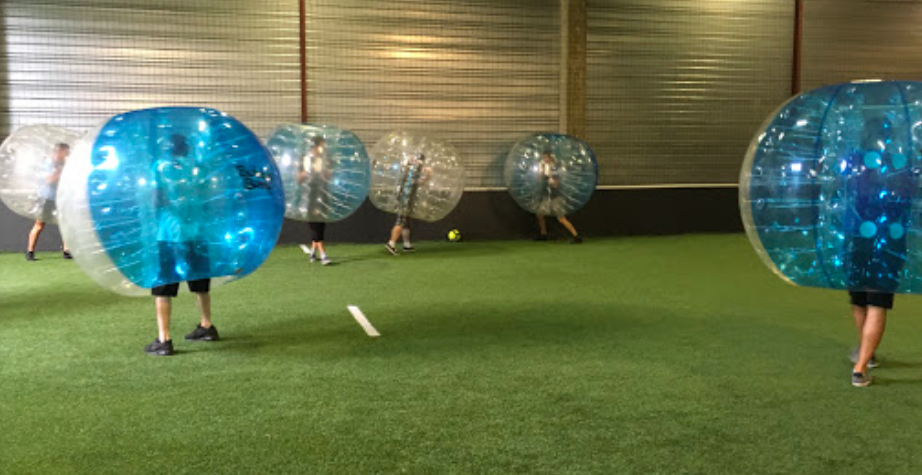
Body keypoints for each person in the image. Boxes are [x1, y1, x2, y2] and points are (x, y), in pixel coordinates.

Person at [144, 134, 218, 356]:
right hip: (197, 231)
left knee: (164, 284)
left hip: (169, 232)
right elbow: (205, 198)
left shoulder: (159, 166)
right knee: (200, 279)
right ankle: (206, 326)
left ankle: (164, 339)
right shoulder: (198, 168)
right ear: (187, 148)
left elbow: (157, 199)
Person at [26, 143, 73, 261]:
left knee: (64, 224)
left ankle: (66, 251)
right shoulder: (48, 164)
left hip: (59, 198)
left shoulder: (63, 164)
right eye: (65, 152)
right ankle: (30, 252)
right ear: (59, 152)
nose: (67, 154)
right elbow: (49, 180)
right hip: (45, 198)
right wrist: (60, 173)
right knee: (39, 225)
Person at [533, 150, 582, 244]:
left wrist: (551, 178)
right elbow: (540, 179)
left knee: (561, 218)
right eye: (544, 158)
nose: (545, 159)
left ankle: (576, 236)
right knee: (539, 214)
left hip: (556, 197)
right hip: (547, 196)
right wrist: (542, 172)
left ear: (551, 158)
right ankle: (544, 234)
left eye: (546, 157)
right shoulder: (544, 168)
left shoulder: (556, 169)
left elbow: (556, 184)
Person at [386, 152, 428, 255]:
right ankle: (391, 243)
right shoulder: (413, 170)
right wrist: (427, 176)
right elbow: (418, 182)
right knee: (401, 220)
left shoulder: (406, 168)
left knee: (406, 221)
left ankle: (407, 244)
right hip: (406, 198)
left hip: (403, 197)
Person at [299, 136, 331, 265]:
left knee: (321, 223)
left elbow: (328, 177)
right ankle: (323, 254)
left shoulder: (325, 160)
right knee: (315, 223)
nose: (324, 149)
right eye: (322, 146)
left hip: (323, 193)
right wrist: (307, 172)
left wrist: (325, 172)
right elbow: (299, 179)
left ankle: (313, 251)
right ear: (315, 146)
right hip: (310, 194)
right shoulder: (305, 159)